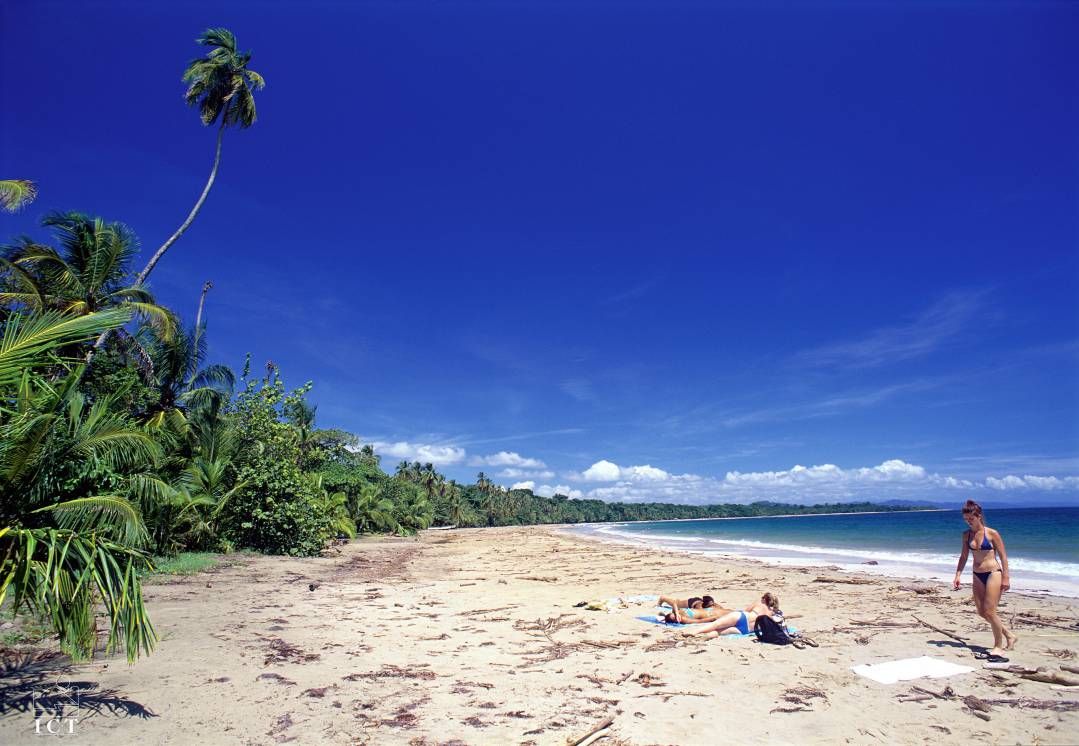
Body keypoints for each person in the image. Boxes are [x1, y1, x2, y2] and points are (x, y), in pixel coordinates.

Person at [953, 499, 1017, 658]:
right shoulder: (966, 535)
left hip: (993, 573)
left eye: (971, 518)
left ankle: (998, 645)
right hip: (977, 574)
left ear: (979, 516)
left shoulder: (992, 533)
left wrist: (1006, 578)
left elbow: (1003, 556)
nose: (968, 521)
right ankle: (1010, 635)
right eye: (966, 519)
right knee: (982, 612)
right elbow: (963, 557)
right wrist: (958, 575)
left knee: (990, 610)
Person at [680, 593, 781, 637]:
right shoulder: (771, 613)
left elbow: (746, 610)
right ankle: (705, 636)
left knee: (715, 624)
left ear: (764, 599)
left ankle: (695, 632)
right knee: (718, 632)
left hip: (742, 617)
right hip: (747, 630)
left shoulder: (759, 604)